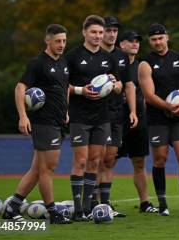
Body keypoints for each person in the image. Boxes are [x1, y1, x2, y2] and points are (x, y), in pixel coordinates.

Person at [1, 24, 72, 224]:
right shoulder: (38, 63)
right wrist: (23, 116)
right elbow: (19, 87)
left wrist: (66, 110)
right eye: (57, 41)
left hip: (58, 122)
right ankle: (52, 212)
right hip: (44, 122)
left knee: (37, 169)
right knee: (48, 168)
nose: (61, 44)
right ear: (47, 40)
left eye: (64, 41)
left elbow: (64, 88)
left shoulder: (63, 63)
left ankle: (12, 208)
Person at [65, 15, 122, 221]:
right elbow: (62, 85)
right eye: (94, 32)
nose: (98, 36)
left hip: (102, 117)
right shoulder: (72, 56)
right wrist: (81, 90)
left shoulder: (109, 59)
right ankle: (78, 209)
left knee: (95, 161)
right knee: (80, 161)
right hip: (80, 116)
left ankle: (89, 208)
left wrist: (114, 85)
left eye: (101, 32)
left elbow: (119, 85)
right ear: (84, 33)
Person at [138, 23, 179, 217]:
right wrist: (169, 107)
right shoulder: (145, 64)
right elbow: (148, 95)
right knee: (160, 159)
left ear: (167, 37)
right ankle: (163, 205)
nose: (158, 42)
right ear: (150, 41)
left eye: (160, 38)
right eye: (154, 39)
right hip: (158, 118)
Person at [97, 16, 138, 217]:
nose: (112, 34)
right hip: (95, 115)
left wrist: (132, 110)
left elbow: (129, 84)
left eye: (114, 30)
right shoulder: (93, 54)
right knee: (95, 158)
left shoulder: (122, 56)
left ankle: (104, 204)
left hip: (116, 114)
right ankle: (90, 202)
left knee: (109, 159)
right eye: (108, 30)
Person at [117, 29, 159, 214]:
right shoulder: (114, 64)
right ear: (121, 45)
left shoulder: (143, 66)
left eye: (137, 41)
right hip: (116, 119)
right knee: (106, 161)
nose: (135, 43)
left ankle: (144, 202)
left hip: (139, 120)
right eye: (130, 40)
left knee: (140, 162)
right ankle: (100, 201)